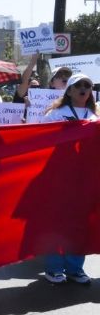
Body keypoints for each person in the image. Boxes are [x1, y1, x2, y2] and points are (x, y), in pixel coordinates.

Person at [39, 73, 97, 285]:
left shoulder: (95, 114)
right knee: (57, 224)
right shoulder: (55, 113)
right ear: (69, 90)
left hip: (85, 180)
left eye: (87, 85)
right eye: (78, 85)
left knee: (79, 225)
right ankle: (53, 268)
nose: (83, 88)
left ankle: (75, 268)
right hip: (59, 178)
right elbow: (44, 141)